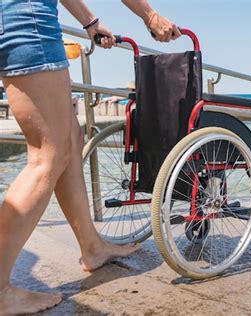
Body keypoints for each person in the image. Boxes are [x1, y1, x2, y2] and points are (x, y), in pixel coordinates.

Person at [0, 0, 180, 314]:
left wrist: (90, 23)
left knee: (70, 137)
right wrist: (150, 15)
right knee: (46, 155)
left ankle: (92, 246)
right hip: (26, 18)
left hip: (16, 16)